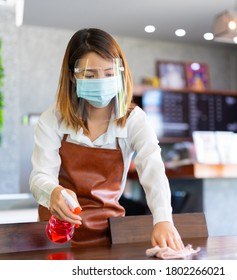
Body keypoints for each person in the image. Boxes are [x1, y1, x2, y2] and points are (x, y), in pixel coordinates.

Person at [29, 28, 184, 250]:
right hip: (56, 233)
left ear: (120, 73)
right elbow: (40, 176)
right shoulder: (53, 119)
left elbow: (153, 168)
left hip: (109, 234)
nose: (100, 81)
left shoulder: (134, 120)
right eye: (90, 75)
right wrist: (53, 192)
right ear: (73, 75)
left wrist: (163, 219)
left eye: (109, 74)